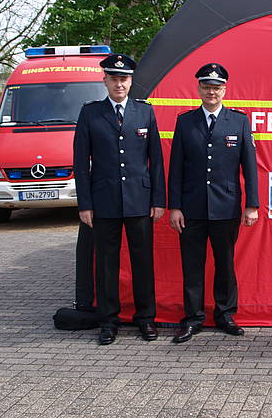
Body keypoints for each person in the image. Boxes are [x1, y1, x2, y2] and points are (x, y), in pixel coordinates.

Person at [74, 53, 166, 345]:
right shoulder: (90, 113)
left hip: (140, 200)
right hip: (104, 201)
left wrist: (159, 200)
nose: (119, 84)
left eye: (124, 79)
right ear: (105, 81)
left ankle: (146, 319)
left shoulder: (144, 112)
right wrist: (85, 204)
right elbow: (81, 163)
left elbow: (156, 160)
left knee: (143, 262)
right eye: (113, 79)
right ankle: (108, 321)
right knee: (106, 265)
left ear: (130, 81)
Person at [168, 62, 259, 343]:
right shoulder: (185, 122)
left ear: (225, 90)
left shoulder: (239, 121)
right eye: (207, 87)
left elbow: (249, 166)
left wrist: (252, 204)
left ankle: (225, 315)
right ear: (198, 89)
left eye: (217, 88)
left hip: (226, 206)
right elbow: (176, 168)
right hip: (192, 208)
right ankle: (193, 318)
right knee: (192, 266)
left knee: (225, 264)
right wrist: (175, 206)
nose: (212, 92)